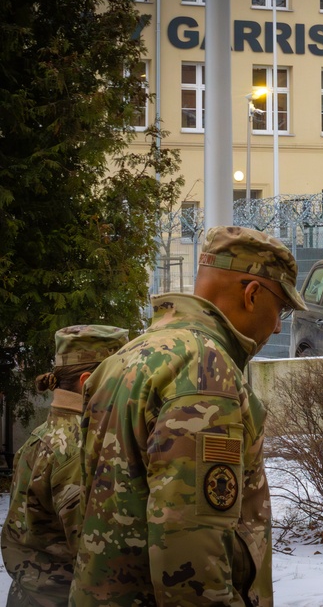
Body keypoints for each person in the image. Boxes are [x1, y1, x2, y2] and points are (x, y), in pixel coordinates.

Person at [70, 226, 306, 606]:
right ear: (253, 294)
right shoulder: (204, 371)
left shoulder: (128, 355)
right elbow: (192, 556)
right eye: (281, 309)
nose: (278, 325)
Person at [1, 325, 128, 607]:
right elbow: (103, 565)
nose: (132, 385)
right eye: (124, 376)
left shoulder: (44, 436)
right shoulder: (81, 450)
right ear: (88, 382)